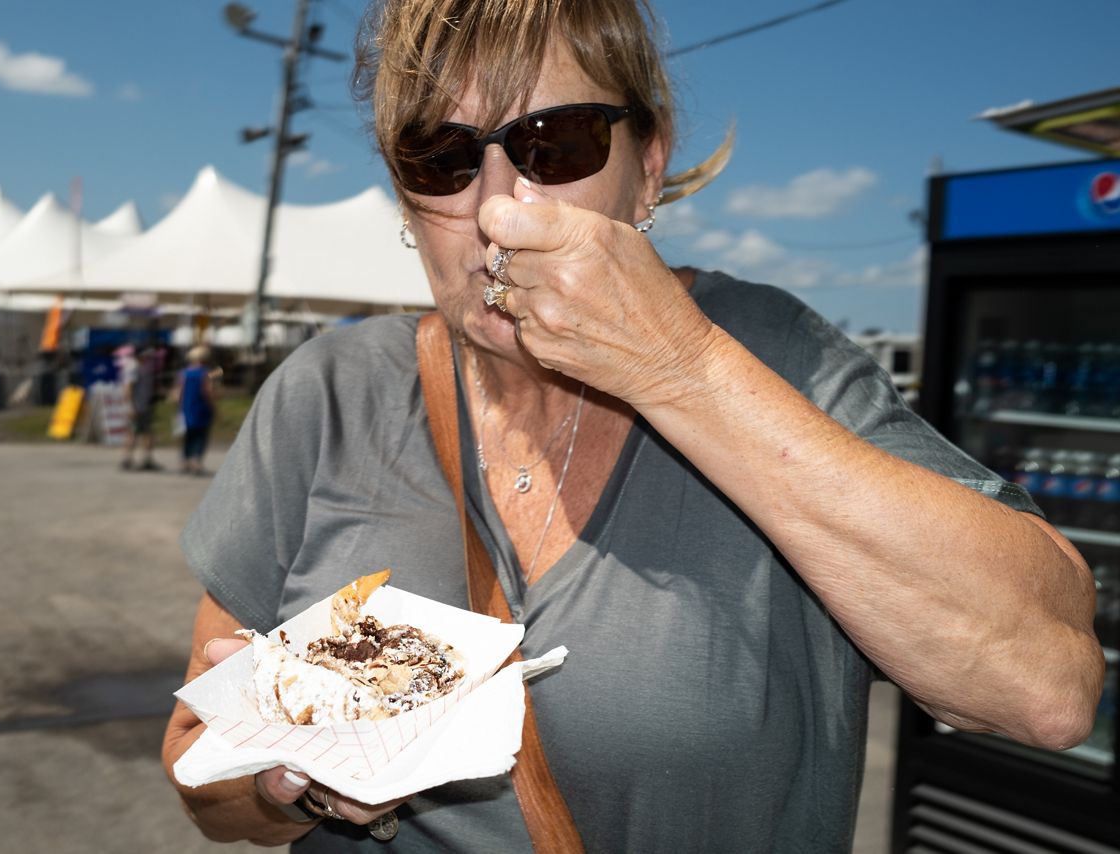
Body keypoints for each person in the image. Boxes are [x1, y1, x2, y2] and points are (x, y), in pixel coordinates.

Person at [162, 1, 1104, 850]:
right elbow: (202, 773)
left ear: (647, 170)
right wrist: (293, 788)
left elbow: (1046, 688)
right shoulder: (330, 390)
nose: (497, 207)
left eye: (555, 142)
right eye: (442, 158)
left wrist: (680, 370)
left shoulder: (775, 355)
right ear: (408, 200)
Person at [120, 343, 161, 471]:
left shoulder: (144, 367)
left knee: (147, 433)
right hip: (137, 407)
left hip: (144, 406)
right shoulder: (133, 367)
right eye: (147, 355)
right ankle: (127, 459)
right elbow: (128, 388)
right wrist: (131, 406)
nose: (149, 357)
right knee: (133, 433)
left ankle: (147, 459)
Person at [177, 345, 217, 475]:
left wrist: (179, 407)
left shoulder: (184, 373)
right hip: (201, 408)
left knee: (188, 436)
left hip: (186, 408)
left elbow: (179, 393)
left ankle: (185, 461)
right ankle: (196, 462)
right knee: (201, 436)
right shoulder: (206, 373)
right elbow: (208, 391)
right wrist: (213, 406)